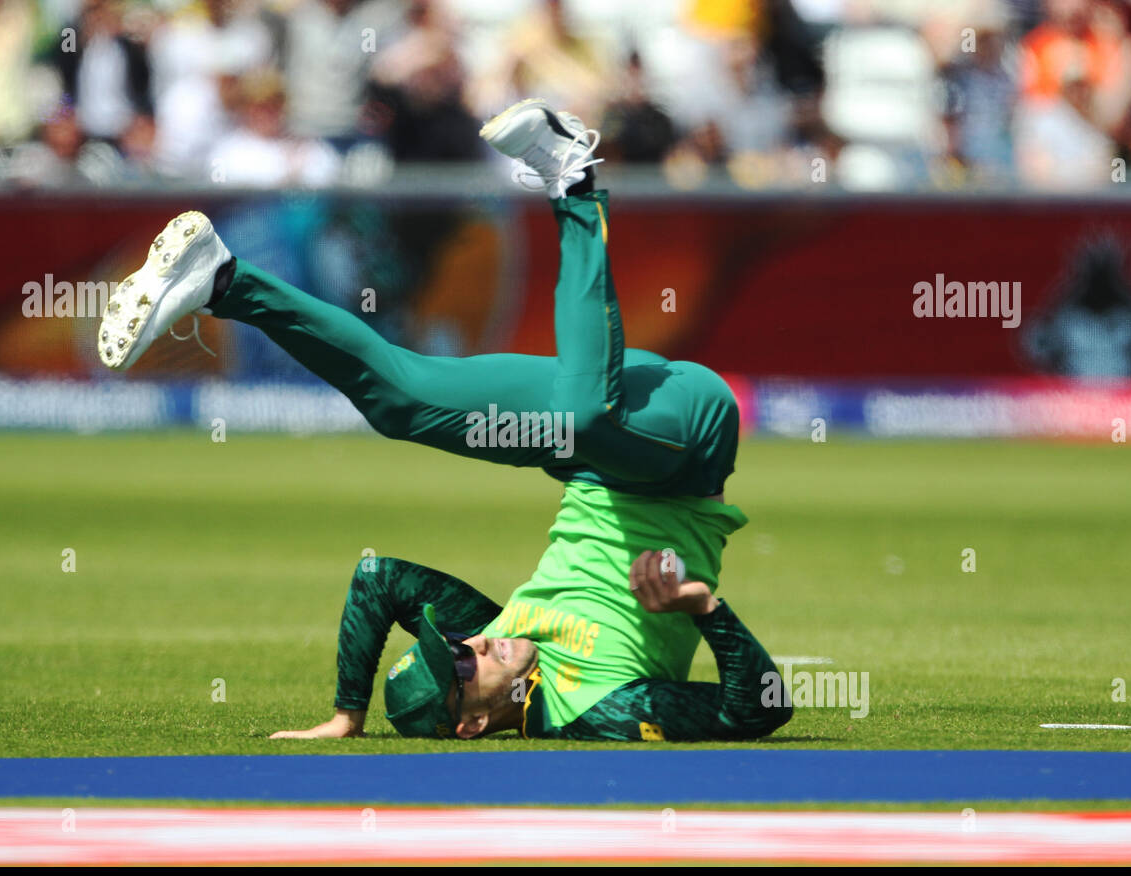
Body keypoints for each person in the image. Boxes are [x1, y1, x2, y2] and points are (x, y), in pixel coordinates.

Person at [97, 98, 792, 742]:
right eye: (461, 671)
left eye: (454, 648)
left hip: (587, 433)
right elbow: (760, 708)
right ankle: (572, 179)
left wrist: (348, 713)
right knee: (581, 416)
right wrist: (701, 606)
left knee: (400, 404)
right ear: (474, 725)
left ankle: (222, 280)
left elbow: (379, 579)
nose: (473, 646)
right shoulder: (599, 710)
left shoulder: (495, 638)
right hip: (679, 445)